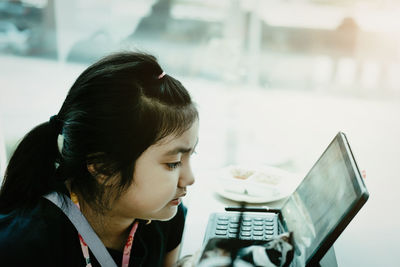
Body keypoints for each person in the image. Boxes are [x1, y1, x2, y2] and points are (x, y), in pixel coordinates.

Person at [0, 52, 199, 267]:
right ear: (104, 167)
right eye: (173, 163)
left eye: (191, 154)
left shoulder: (165, 217)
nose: (189, 178)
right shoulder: (24, 249)